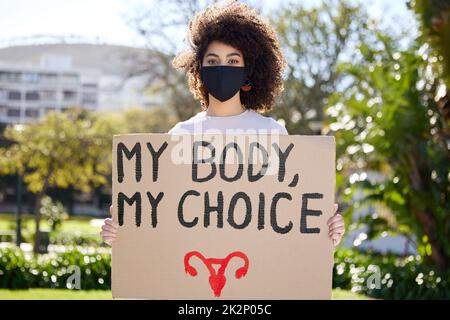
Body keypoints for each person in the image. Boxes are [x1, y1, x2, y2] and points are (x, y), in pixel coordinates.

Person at [101, 0, 345, 247]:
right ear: (199, 70)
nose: (222, 69)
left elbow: (286, 212)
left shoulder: (273, 133)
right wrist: (123, 232)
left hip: (254, 270)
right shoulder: (181, 135)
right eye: (213, 61)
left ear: (249, 71)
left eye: (232, 61)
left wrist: (327, 230)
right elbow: (164, 214)